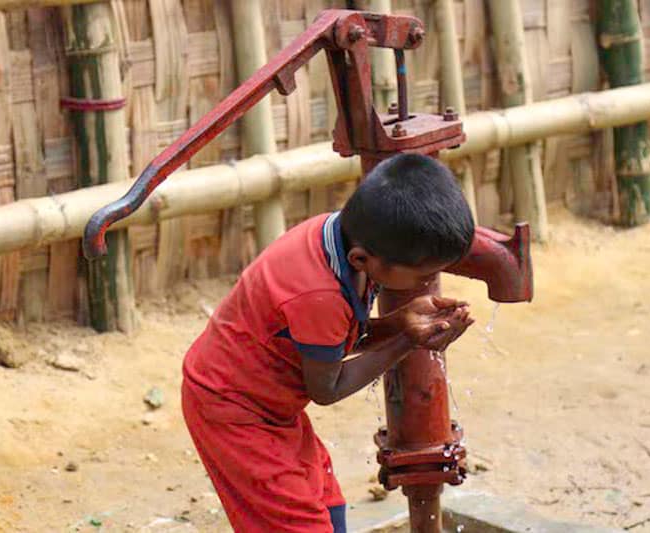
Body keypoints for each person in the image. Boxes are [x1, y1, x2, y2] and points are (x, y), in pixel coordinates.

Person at [181, 153, 476, 532]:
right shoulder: (318, 293)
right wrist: (406, 339)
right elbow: (327, 386)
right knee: (298, 524)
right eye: (424, 273)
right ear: (363, 259)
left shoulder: (343, 240)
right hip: (233, 410)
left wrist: (397, 323)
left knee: (328, 509)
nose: (427, 281)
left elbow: (329, 341)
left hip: (266, 402)